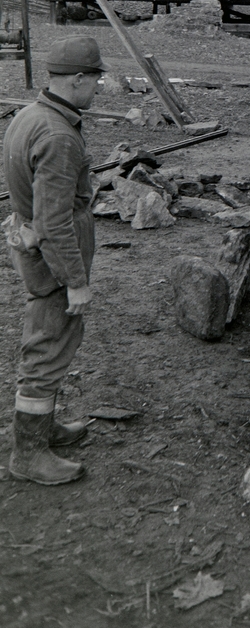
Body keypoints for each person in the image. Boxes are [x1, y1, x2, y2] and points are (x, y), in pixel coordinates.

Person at [3, 36, 106, 485]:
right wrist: (76, 280)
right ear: (78, 79)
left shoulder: (31, 114)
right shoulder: (59, 135)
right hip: (52, 256)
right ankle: (29, 454)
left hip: (32, 242)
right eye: (95, 79)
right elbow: (54, 220)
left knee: (49, 339)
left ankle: (41, 428)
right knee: (47, 346)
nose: (97, 88)